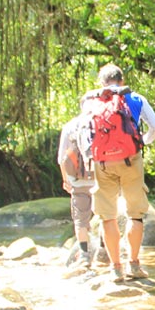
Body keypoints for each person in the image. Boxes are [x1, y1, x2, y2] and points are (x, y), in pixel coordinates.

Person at [85, 63, 155, 284]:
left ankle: (115, 269)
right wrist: (141, 143)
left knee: (107, 216)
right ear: (122, 79)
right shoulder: (135, 98)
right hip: (131, 159)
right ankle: (134, 265)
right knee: (135, 213)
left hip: (102, 163)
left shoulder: (92, 101)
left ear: (102, 83)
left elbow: (85, 133)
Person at [57, 99, 97, 267]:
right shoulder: (100, 123)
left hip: (77, 180)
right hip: (100, 179)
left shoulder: (70, 126)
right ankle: (104, 250)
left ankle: (84, 255)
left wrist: (66, 179)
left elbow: (61, 158)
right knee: (106, 215)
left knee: (80, 220)